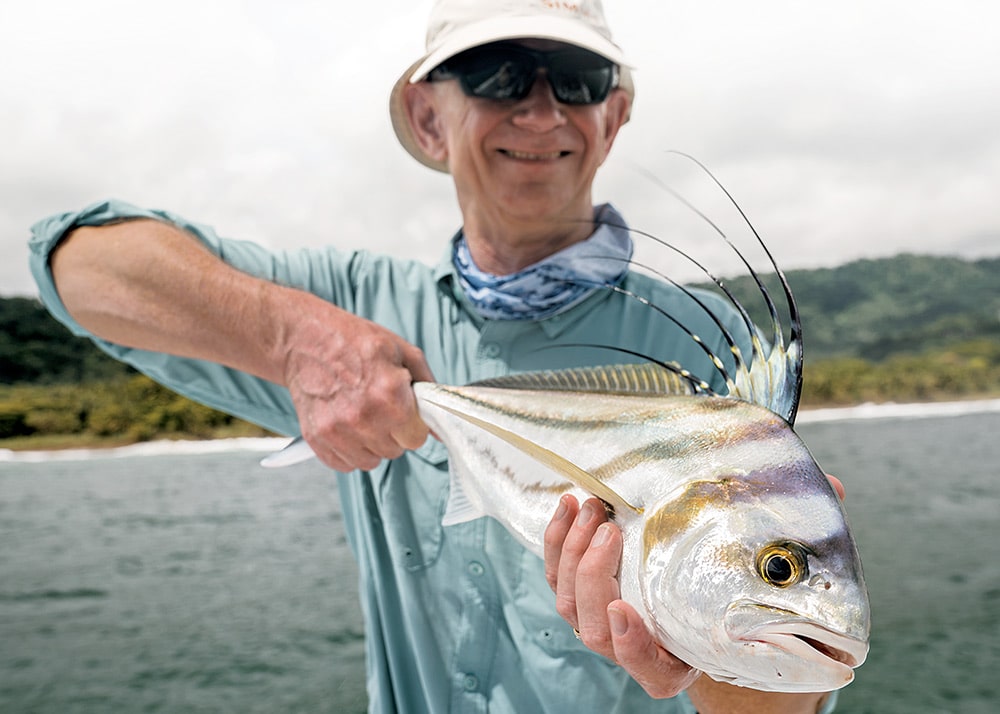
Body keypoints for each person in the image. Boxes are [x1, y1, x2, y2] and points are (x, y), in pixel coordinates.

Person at [29, 1, 841, 712]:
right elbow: (74, 261)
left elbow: (780, 704)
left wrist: (708, 653)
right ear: (427, 116)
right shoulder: (349, 306)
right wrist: (294, 339)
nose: (541, 112)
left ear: (615, 114)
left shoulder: (719, 363)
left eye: (579, 79)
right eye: (497, 74)